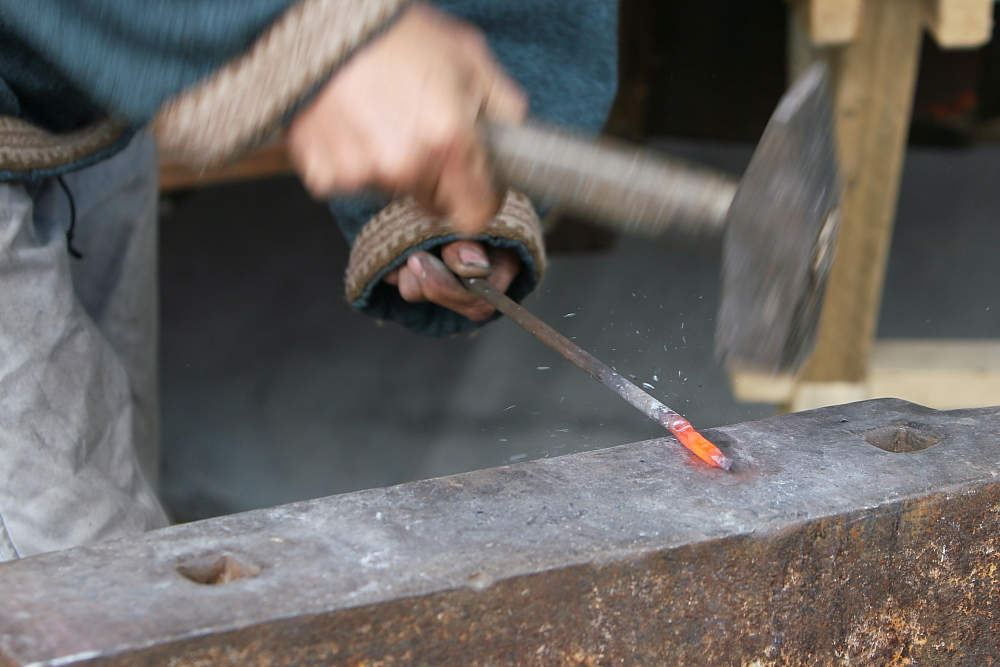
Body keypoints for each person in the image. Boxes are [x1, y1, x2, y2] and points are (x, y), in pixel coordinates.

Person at [0, 0, 617, 559]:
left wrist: (464, 167)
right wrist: (298, 26)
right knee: (100, 586)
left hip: (92, 101)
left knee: (124, 460)